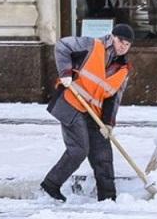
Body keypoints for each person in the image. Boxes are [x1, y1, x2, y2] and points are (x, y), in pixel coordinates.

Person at [41, 24, 134, 202]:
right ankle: (51, 185)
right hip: (71, 102)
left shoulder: (123, 69)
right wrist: (65, 72)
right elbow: (62, 45)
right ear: (112, 37)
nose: (123, 46)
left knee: (103, 153)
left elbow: (114, 98)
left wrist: (108, 123)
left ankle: (108, 198)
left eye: (127, 44)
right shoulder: (92, 45)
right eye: (121, 41)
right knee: (79, 149)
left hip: (94, 112)